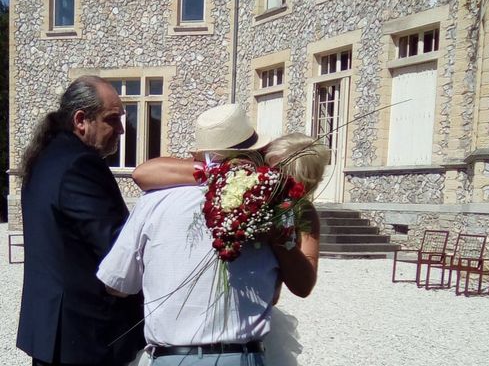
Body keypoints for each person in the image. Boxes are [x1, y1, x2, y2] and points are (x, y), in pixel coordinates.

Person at [97, 104, 328, 365]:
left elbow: (116, 284)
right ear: (257, 152)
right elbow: (284, 292)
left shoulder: (156, 200)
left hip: (173, 356)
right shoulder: (268, 205)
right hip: (242, 355)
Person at [16, 75, 144, 366]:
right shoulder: (80, 165)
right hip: (85, 334)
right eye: (112, 119)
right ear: (81, 120)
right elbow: (116, 250)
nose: (122, 129)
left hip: (53, 330)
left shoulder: (44, 159)